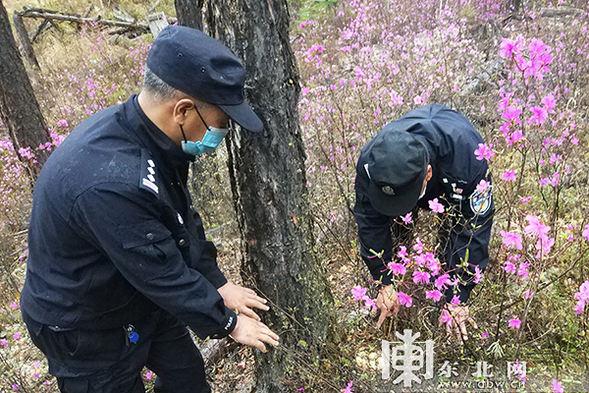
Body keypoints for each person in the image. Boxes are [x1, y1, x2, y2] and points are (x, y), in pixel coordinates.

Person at [20, 25, 279, 393]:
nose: (221, 135)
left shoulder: (152, 133)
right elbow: (160, 273)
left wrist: (215, 281)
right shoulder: (111, 182)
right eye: (221, 123)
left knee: (186, 379)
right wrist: (228, 324)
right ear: (184, 110)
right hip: (83, 324)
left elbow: (180, 218)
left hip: (135, 293)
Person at [354, 103, 494, 342]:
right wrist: (384, 280)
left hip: (452, 174)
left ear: (427, 174)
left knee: (450, 235)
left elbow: (474, 227)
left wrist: (457, 296)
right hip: (408, 176)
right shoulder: (372, 162)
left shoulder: (468, 159)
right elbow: (370, 220)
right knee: (398, 232)